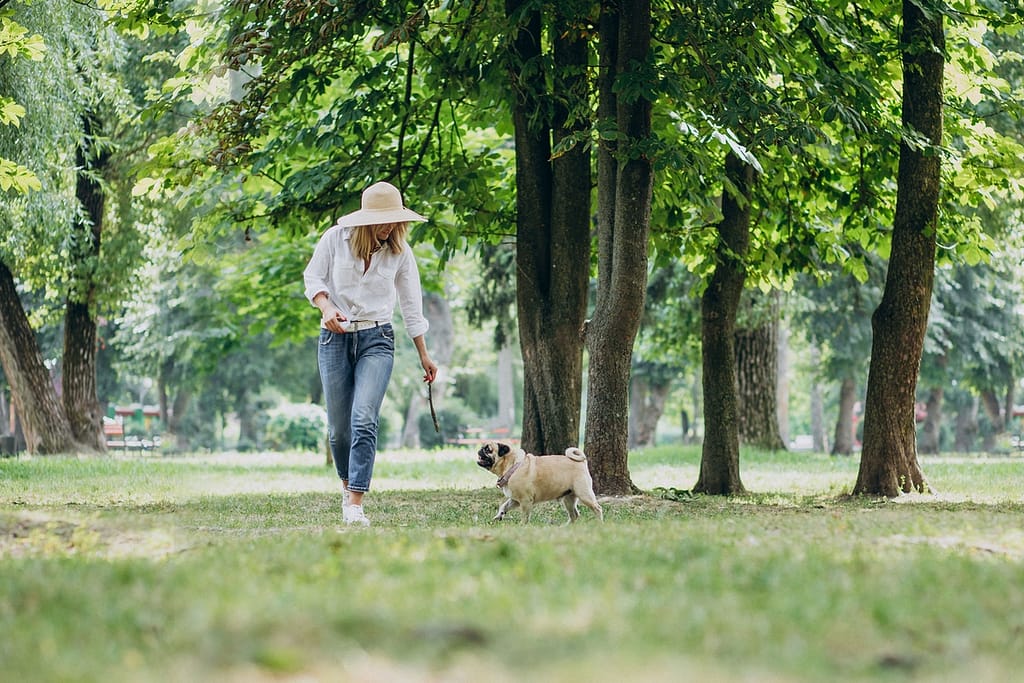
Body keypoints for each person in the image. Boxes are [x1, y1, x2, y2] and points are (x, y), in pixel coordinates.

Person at [303, 181, 438, 526]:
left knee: (364, 418)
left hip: (377, 338)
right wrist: (326, 308)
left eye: (394, 219)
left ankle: (355, 502)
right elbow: (313, 279)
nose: (389, 226)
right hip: (335, 338)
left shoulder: (400, 253)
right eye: (383, 219)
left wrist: (424, 353)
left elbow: (411, 305)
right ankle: (346, 487)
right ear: (365, 220)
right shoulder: (335, 239)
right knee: (339, 429)